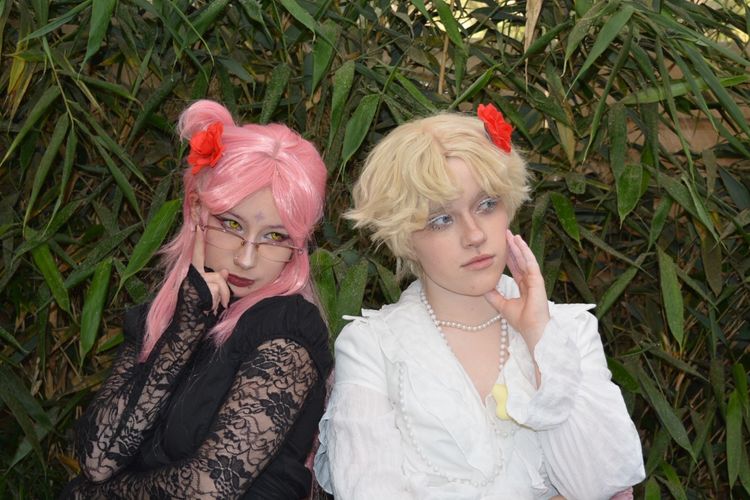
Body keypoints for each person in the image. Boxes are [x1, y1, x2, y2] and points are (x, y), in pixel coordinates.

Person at [314, 104, 645, 499]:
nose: (474, 235)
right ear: (405, 239)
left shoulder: (568, 331)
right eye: (441, 219)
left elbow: (601, 483)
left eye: (487, 205)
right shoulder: (371, 347)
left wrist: (540, 338)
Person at [62, 100, 332, 499]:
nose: (246, 258)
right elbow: (98, 459)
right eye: (232, 224)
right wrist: (184, 330)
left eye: (275, 237)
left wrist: (95, 495)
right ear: (197, 211)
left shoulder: (289, 330)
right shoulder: (166, 315)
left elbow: (208, 488)